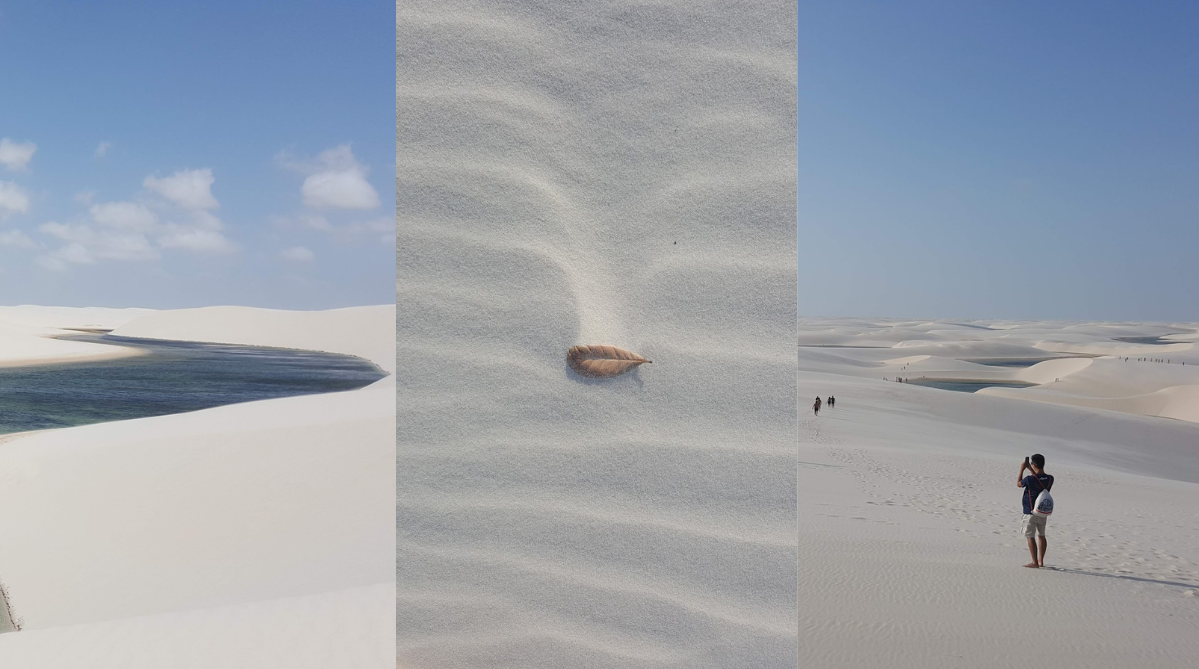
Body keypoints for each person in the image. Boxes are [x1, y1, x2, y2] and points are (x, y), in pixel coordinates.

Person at [1017, 454, 1054, 568]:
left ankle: (1034, 562)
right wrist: (1031, 469)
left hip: (1030, 511)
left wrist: (1022, 469)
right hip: (1042, 511)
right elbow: (1038, 479)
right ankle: (1041, 561)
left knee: (1030, 536)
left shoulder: (1029, 479)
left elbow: (1019, 484)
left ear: (1033, 464)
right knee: (1041, 535)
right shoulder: (1050, 478)